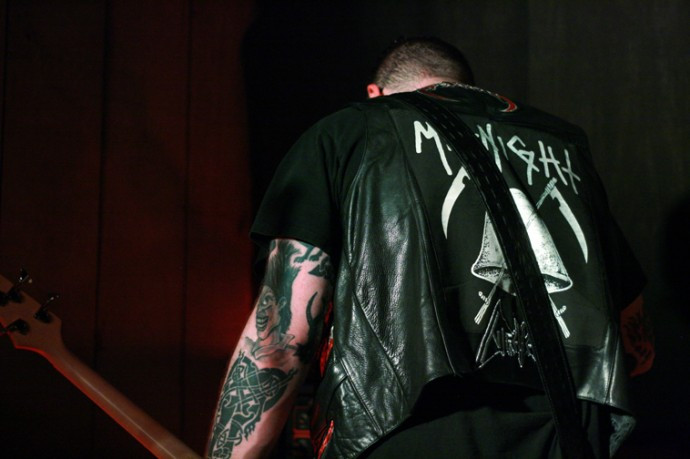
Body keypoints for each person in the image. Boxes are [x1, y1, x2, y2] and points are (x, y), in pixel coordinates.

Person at [207, 37, 654, 458]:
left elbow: (281, 339)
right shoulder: (566, 146)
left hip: (408, 429)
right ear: (465, 88)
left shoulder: (352, 130)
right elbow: (638, 352)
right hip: (566, 435)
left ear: (375, 93)